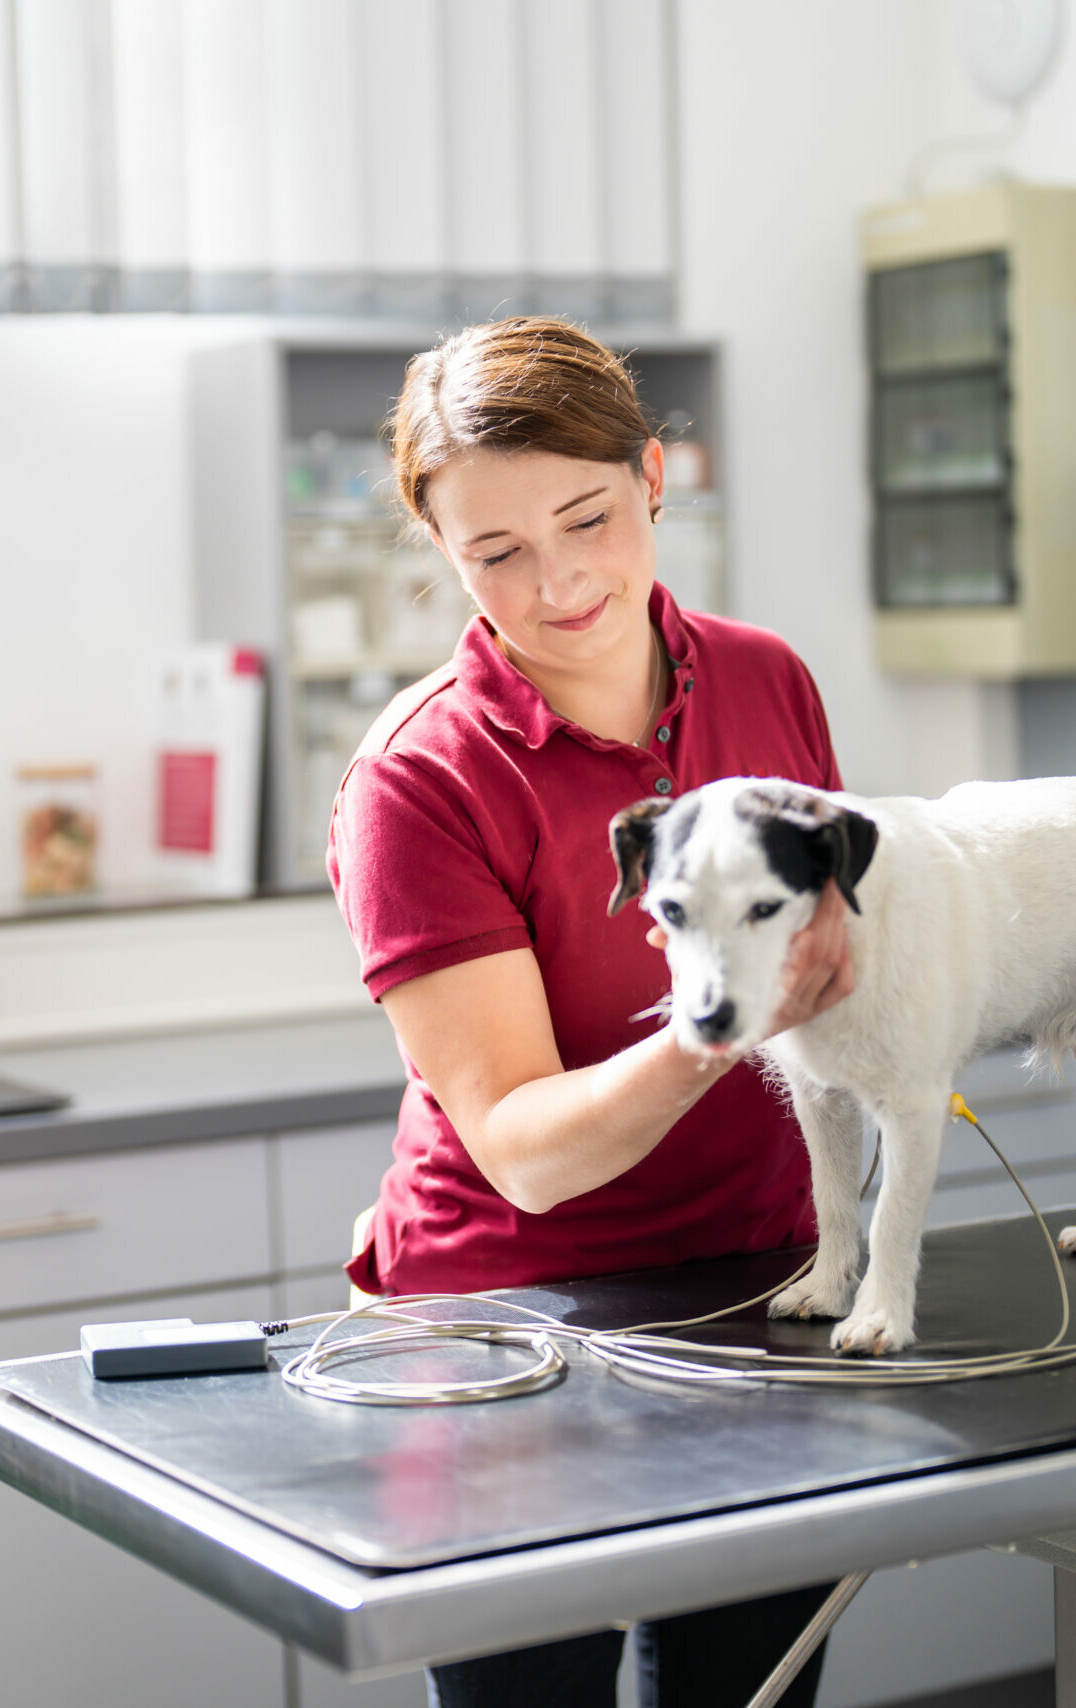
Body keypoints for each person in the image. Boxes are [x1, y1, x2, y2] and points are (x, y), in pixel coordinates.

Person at [326, 317, 855, 1708]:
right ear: (441, 553)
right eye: (495, 552)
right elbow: (520, 1143)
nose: (558, 582)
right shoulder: (418, 781)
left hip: (753, 1292)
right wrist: (716, 1019)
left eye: (589, 518)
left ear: (654, 476)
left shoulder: (765, 679)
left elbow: (844, 952)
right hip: (513, 1331)